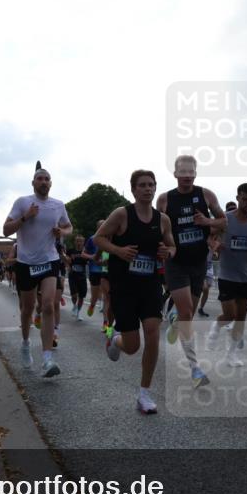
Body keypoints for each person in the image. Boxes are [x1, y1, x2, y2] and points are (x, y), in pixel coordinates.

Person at [95, 170, 177, 414]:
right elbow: (98, 238)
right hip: (124, 287)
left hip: (150, 285)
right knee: (132, 346)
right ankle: (115, 340)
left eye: (151, 185)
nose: (147, 189)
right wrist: (118, 252)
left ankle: (144, 393)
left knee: (153, 335)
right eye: (142, 185)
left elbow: (172, 246)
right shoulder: (122, 214)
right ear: (133, 190)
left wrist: (168, 252)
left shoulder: (162, 219)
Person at [157, 155, 226, 389]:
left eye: (191, 171)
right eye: (182, 171)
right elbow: (159, 229)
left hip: (199, 263)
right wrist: (163, 248)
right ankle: (195, 368)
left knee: (188, 316)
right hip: (176, 263)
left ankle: (175, 315)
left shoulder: (206, 195)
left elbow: (224, 222)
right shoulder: (165, 199)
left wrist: (207, 222)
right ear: (175, 174)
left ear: (196, 173)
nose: (187, 175)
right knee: (187, 312)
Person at [3, 167, 73, 377]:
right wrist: (25, 217)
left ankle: (47, 358)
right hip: (25, 262)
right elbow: (6, 229)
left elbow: (69, 227)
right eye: (40, 179)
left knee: (49, 305)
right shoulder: (22, 202)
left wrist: (63, 232)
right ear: (33, 183)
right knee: (27, 309)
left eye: (47, 179)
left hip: (49, 260)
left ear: (51, 183)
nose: (44, 182)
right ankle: (25, 343)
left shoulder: (58, 205)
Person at [206, 183, 247, 367]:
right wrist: (214, 245)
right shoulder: (226, 219)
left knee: (240, 318)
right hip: (227, 274)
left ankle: (230, 355)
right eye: (244, 199)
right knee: (230, 314)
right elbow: (209, 236)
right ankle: (216, 326)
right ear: (238, 198)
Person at [82, 224, 106, 319]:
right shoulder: (92, 239)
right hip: (94, 270)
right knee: (95, 295)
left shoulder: (111, 238)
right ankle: (92, 304)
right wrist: (92, 257)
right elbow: (83, 254)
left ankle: (106, 323)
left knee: (107, 295)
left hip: (106, 270)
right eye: (101, 226)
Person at [67, 235, 88, 320]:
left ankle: (78, 312)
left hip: (82, 276)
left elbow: (90, 260)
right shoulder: (70, 251)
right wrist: (68, 265)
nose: (79, 243)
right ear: (75, 242)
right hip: (72, 275)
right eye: (77, 241)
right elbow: (66, 259)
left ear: (83, 242)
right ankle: (74, 306)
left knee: (82, 296)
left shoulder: (85, 252)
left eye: (81, 241)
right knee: (74, 295)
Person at [197, 248, 215, 317]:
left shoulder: (214, 244)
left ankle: (201, 308)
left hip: (210, 269)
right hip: (201, 268)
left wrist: (214, 254)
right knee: (205, 288)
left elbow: (215, 256)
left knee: (206, 291)